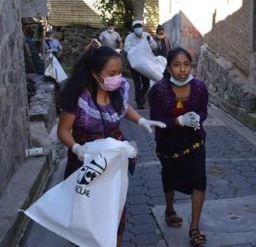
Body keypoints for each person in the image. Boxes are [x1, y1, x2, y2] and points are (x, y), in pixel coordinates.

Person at [57, 46, 166, 247]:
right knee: (89, 217)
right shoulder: (78, 97)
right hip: (86, 164)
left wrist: (141, 121)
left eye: (119, 73)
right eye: (111, 74)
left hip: (114, 164)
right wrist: (76, 148)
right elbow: (63, 130)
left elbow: (124, 109)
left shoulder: (118, 89)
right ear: (95, 73)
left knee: (115, 212)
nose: (117, 78)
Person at [148, 47, 208, 247]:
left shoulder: (200, 87)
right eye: (176, 65)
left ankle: (194, 228)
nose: (182, 70)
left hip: (195, 143)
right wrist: (179, 121)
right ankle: (169, 209)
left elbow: (203, 110)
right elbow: (156, 119)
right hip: (169, 145)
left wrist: (198, 117)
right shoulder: (159, 90)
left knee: (199, 179)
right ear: (169, 67)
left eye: (186, 64)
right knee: (170, 177)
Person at [123, 20, 157, 109]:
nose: (138, 28)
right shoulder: (129, 37)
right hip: (134, 63)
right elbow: (126, 48)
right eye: (136, 27)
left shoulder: (147, 35)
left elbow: (155, 47)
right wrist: (138, 49)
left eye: (139, 26)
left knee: (146, 84)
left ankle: (141, 96)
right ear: (133, 28)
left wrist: (150, 41)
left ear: (142, 27)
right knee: (137, 83)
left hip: (144, 63)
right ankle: (139, 102)